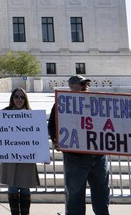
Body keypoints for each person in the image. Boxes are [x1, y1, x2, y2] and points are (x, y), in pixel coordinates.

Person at [48, 75, 110, 215]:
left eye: (86, 84)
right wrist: (55, 140)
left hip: (99, 156)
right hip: (76, 158)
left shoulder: (98, 102)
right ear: (71, 86)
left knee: (102, 192)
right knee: (75, 195)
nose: (85, 86)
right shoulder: (62, 102)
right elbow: (52, 125)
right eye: (81, 84)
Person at [0, 88, 40, 215]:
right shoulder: (3, 113)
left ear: (26, 99)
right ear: (12, 98)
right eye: (16, 97)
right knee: (12, 187)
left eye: (22, 97)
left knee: (25, 188)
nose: (19, 99)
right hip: (10, 157)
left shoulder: (31, 115)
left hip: (26, 157)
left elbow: (38, 137)